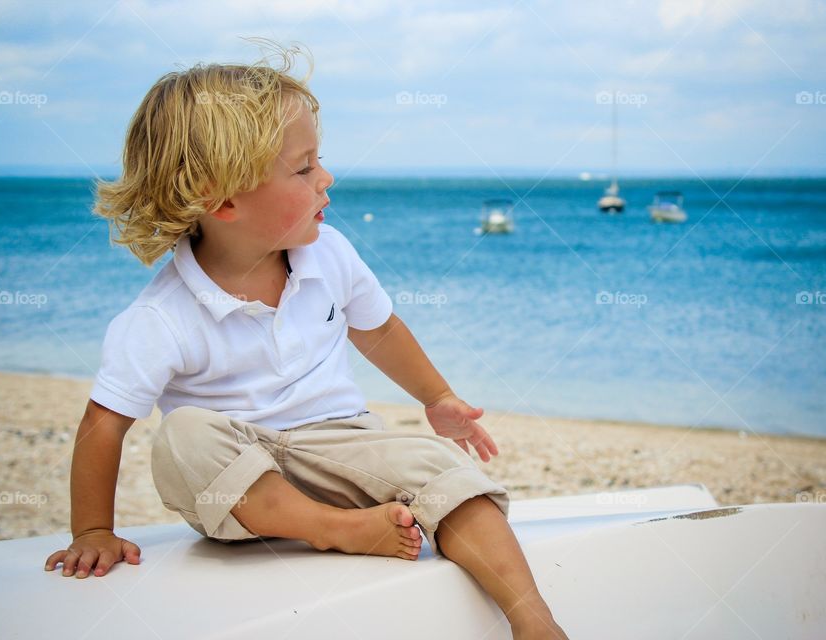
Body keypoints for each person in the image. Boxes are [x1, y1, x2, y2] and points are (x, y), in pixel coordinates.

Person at [43, 46, 568, 639]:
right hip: (242, 485)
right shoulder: (161, 317)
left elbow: (380, 330)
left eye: (320, 160)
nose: (327, 178)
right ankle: (335, 528)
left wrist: (437, 396)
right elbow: (103, 424)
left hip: (343, 443)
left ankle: (535, 623)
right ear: (222, 199)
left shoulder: (330, 254)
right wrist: (91, 530)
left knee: (443, 468)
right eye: (303, 168)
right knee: (183, 434)